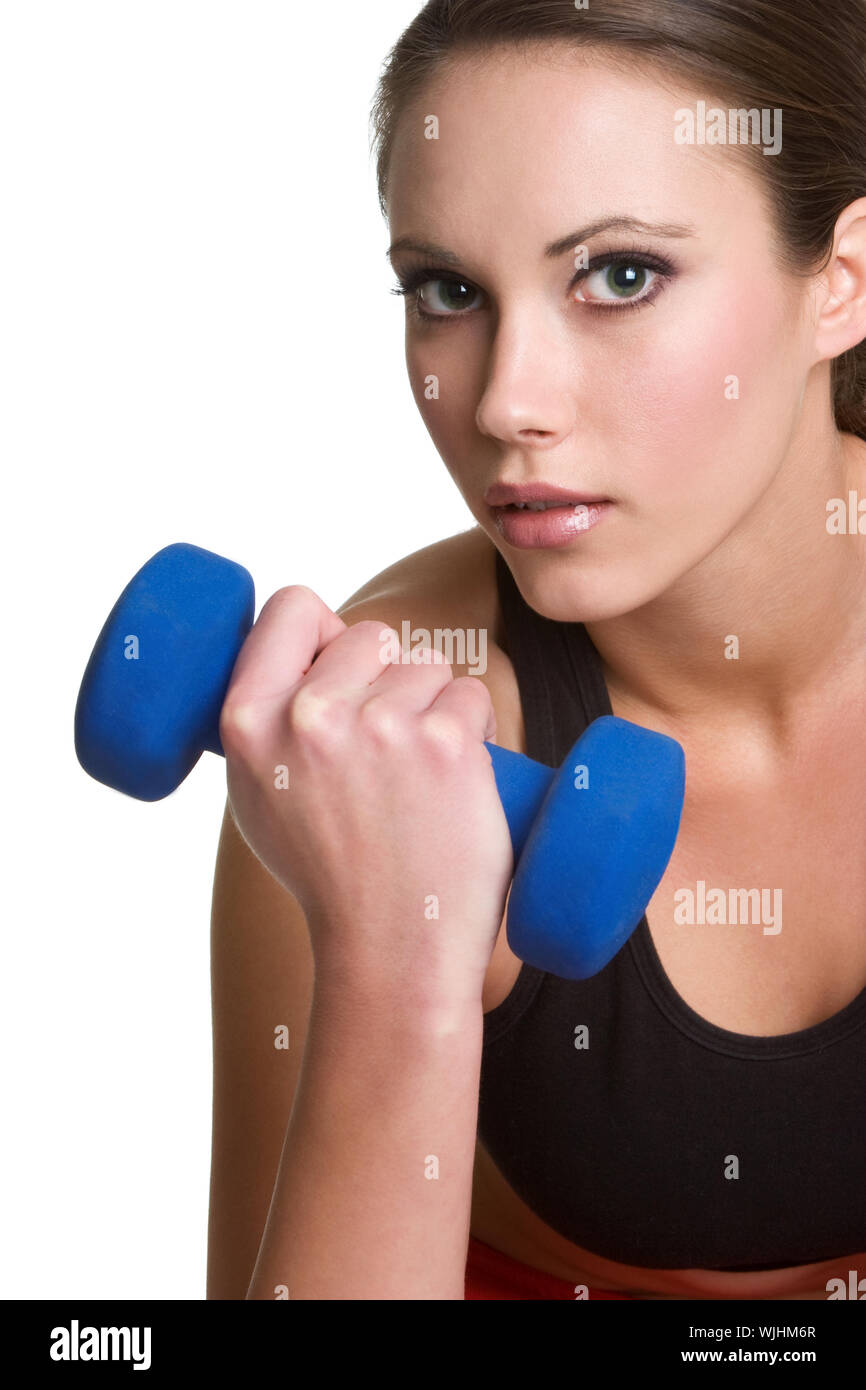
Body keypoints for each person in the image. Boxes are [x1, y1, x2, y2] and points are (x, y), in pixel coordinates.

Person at [206, 0, 866, 1300]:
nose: (507, 398)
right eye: (448, 291)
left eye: (619, 274)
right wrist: (399, 962)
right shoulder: (371, 738)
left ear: (838, 281)